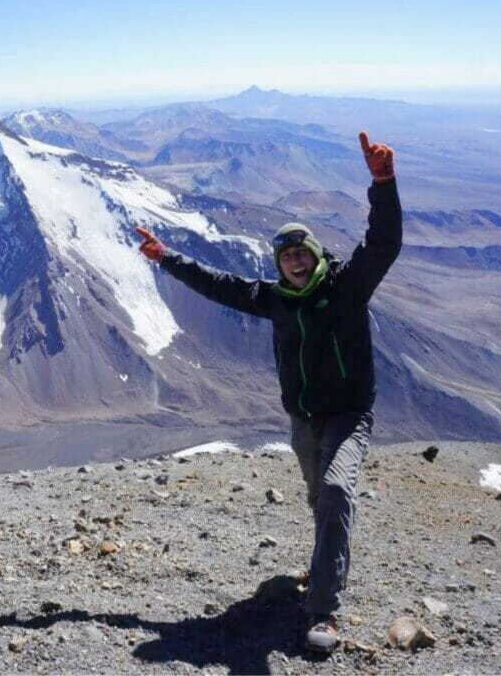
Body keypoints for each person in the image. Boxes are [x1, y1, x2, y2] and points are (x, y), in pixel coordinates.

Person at [135, 132, 401, 653]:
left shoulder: (347, 286)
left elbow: (384, 243)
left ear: (315, 255)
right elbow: (216, 283)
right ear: (279, 265)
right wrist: (165, 257)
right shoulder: (275, 300)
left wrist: (383, 183)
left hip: (350, 414)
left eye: (302, 254)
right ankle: (326, 555)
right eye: (286, 259)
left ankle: (323, 609)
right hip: (304, 419)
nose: (296, 264)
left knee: (337, 489)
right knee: (318, 495)